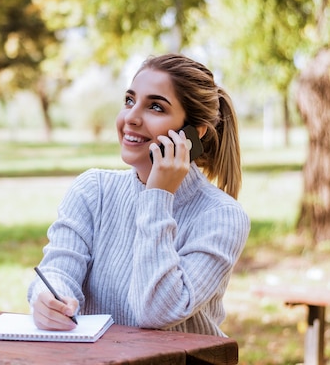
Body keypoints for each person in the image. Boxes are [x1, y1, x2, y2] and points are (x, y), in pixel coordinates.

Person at [27, 53, 250, 337]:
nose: (131, 118)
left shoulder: (221, 216)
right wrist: (49, 298)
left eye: (155, 107)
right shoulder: (93, 190)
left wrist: (157, 196)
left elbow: (156, 312)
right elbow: (58, 270)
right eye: (129, 101)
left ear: (194, 133)